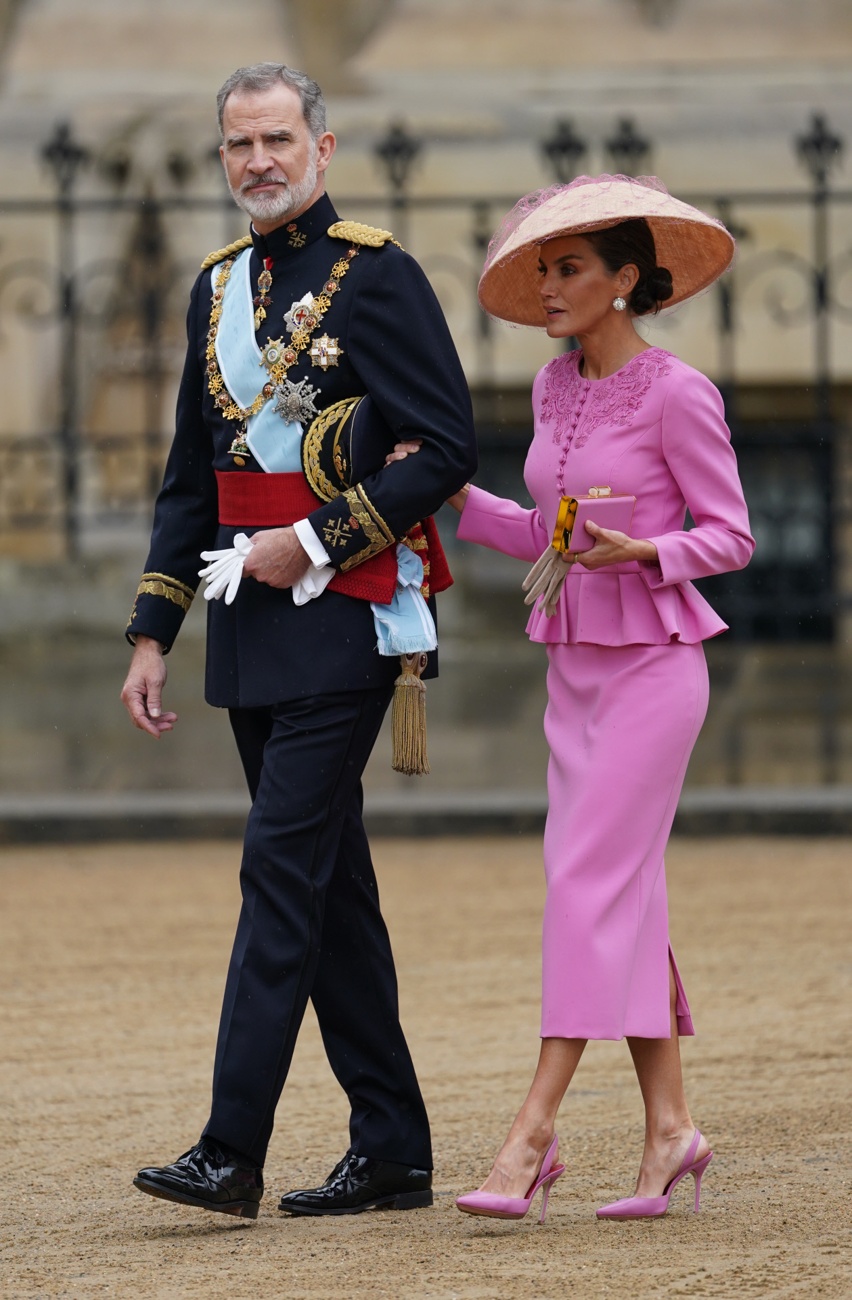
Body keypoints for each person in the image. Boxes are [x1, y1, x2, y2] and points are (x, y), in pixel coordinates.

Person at [120, 62, 477, 1221]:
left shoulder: (379, 278)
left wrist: (316, 541)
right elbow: (191, 480)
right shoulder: (216, 286)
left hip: (345, 621)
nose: (258, 162)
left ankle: (231, 1148)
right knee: (330, 892)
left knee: (277, 871)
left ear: (323, 148)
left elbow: (445, 446)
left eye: (278, 139)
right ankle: (395, 1147)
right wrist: (149, 631)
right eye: (239, 145)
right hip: (244, 628)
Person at [397, 174, 754, 1222]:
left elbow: (732, 535)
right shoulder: (554, 392)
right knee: (618, 891)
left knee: (584, 884)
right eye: (543, 270)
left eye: (569, 269)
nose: (548, 287)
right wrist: (453, 493)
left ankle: (530, 1132)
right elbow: (547, 532)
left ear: (627, 280)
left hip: (654, 667)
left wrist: (649, 546)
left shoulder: (681, 391)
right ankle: (669, 1128)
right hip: (573, 669)